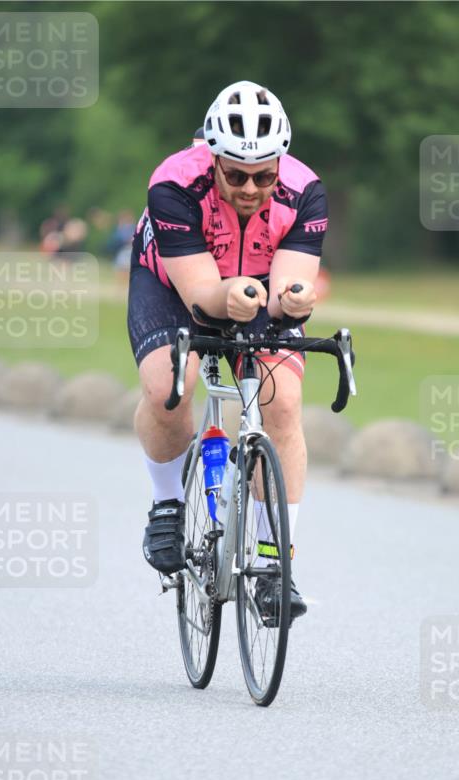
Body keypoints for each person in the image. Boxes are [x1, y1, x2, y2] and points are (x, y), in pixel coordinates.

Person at [127, 80, 329, 624]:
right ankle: (168, 502)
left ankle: (272, 564)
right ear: (211, 158)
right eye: (235, 174)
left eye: (263, 176)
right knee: (173, 385)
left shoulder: (305, 191)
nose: (249, 188)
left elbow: (291, 284)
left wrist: (294, 298)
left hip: (256, 287)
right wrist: (230, 299)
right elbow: (201, 295)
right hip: (173, 287)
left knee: (283, 401)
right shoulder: (174, 184)